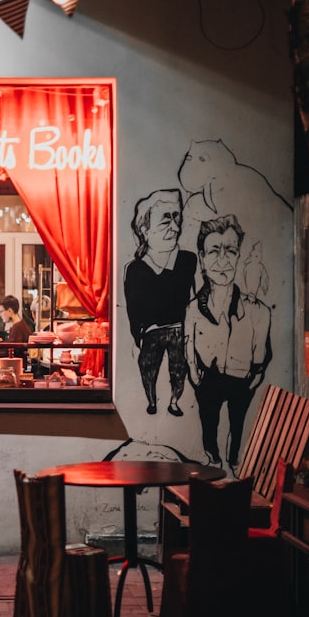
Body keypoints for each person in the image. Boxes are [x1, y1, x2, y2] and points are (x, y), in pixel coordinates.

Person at [184, 214, 272, 468]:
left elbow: (261, 350)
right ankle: (214, 463)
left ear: (238, 256)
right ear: (202, 259)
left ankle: (234, 466)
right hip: (208, 378)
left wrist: (254, 376)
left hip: (241, 378)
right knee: (209, 430)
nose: (222, 260)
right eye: (214, 251)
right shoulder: (194, 308)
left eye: (230, 251)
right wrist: (195, 375)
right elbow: (188, 344)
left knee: (237, 428)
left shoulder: (257, 310)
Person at [124, 189, 196, 416]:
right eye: (166, 220)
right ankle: (152, 401)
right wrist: (138, 336)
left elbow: (194, 299)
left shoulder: (187, 260)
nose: (175, 228)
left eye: (177, 218)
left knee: (179, 368)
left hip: (178, 329)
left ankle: (174, 401)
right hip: (152, 332)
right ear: (144, 229)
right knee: (148, 366)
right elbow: (132, 309)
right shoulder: (136, 269)